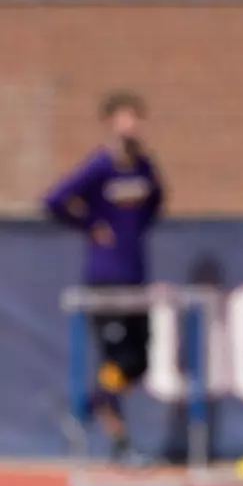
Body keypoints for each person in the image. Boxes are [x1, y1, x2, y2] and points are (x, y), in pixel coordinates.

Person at [43, 91, 166, 464]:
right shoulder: (100, 165)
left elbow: (156, 201)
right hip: (105, 278)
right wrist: (91, 225)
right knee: (116, 356)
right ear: (110, 122)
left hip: (136, 275)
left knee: (139, 361)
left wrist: (134, 231)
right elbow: (53, 200)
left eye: (136, 118)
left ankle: (83, 406)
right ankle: (121, 443)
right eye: (125, 118)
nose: (132, 125)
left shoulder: (144, 167)